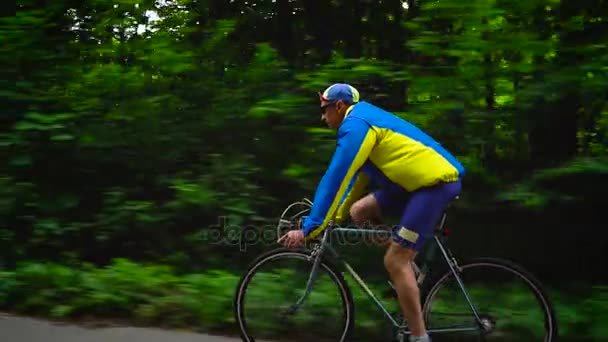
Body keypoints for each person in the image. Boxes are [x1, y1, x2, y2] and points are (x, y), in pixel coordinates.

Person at [278, 83, 464, 342]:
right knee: (359, 210)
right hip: (411, 184)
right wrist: (333, 219)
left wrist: (310, 228)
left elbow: (335, 178)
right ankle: (410, 267)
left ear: (339, 106)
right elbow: (354, 183)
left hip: (433, 185)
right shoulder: (363, 120)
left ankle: (419, 337)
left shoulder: (355, 125)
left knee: (393, 261)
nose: (322, 117)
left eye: (324, 110)